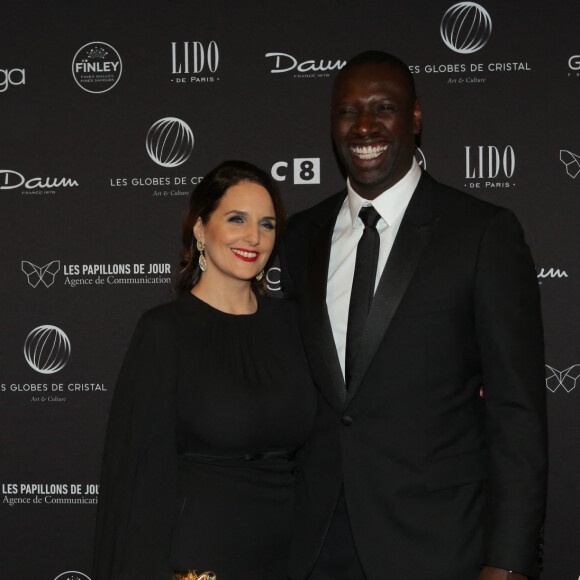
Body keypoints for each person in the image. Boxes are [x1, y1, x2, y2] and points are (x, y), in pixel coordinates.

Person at [281, 51, 547, 580]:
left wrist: (508, 562)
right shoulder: (299, 238)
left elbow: (516, 413)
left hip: (439, 545)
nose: (364, 126)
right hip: (314, 546)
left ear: (416, 116)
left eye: (384, 107)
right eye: (347, 111)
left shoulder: (481, 233)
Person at [93, 160, 316, 580]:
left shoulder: (293, 325)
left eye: (267, 225)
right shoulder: (165, 331)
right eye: (237, 219)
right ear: (200, 229)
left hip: (290, 556)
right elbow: (138, 473)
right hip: (200, 558)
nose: (254, 237)